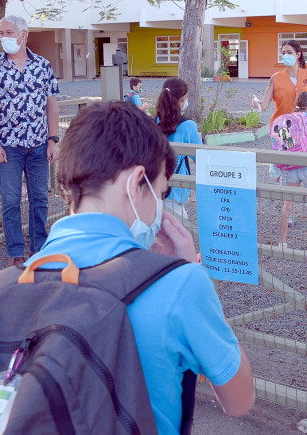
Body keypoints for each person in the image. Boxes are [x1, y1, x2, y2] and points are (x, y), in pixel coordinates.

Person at [34, 101, 255, 433]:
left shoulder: (11, 285)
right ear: (138, 182)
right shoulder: (180, 285)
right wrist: (191, 276)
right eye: (161, 192)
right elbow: (239, 400)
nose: (160, 206)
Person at [0, 15, 59, 266]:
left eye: (9, 32)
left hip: (38, 144)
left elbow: (51, 104)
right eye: (1, 33)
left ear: (24, 34)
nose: (4, 37)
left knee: (40, 199)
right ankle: (15, 253)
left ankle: (39, 249)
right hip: (7, 147)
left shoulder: (42, 65)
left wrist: (53, 140)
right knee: (10, 201)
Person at [252, 39, 307, 143]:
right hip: (282, 128)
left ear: (298, 55)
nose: (286, 55)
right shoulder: (275, 78)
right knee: (285, 153)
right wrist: (257, 104)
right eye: (283, 53)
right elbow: (264, 105)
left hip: (305, 128)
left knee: (305, 153)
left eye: (289, 52)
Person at [277, 91, 307, 249]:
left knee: (287, 205)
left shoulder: (286, 122)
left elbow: (283, 144)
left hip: (291, 167)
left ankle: (282, 242)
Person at [156, 77, 202, 224]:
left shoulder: (152, 121)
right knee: (180, 231)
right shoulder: (188, 126)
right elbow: (200, 158)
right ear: (183, 98)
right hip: (175, 190)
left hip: (152, 188)